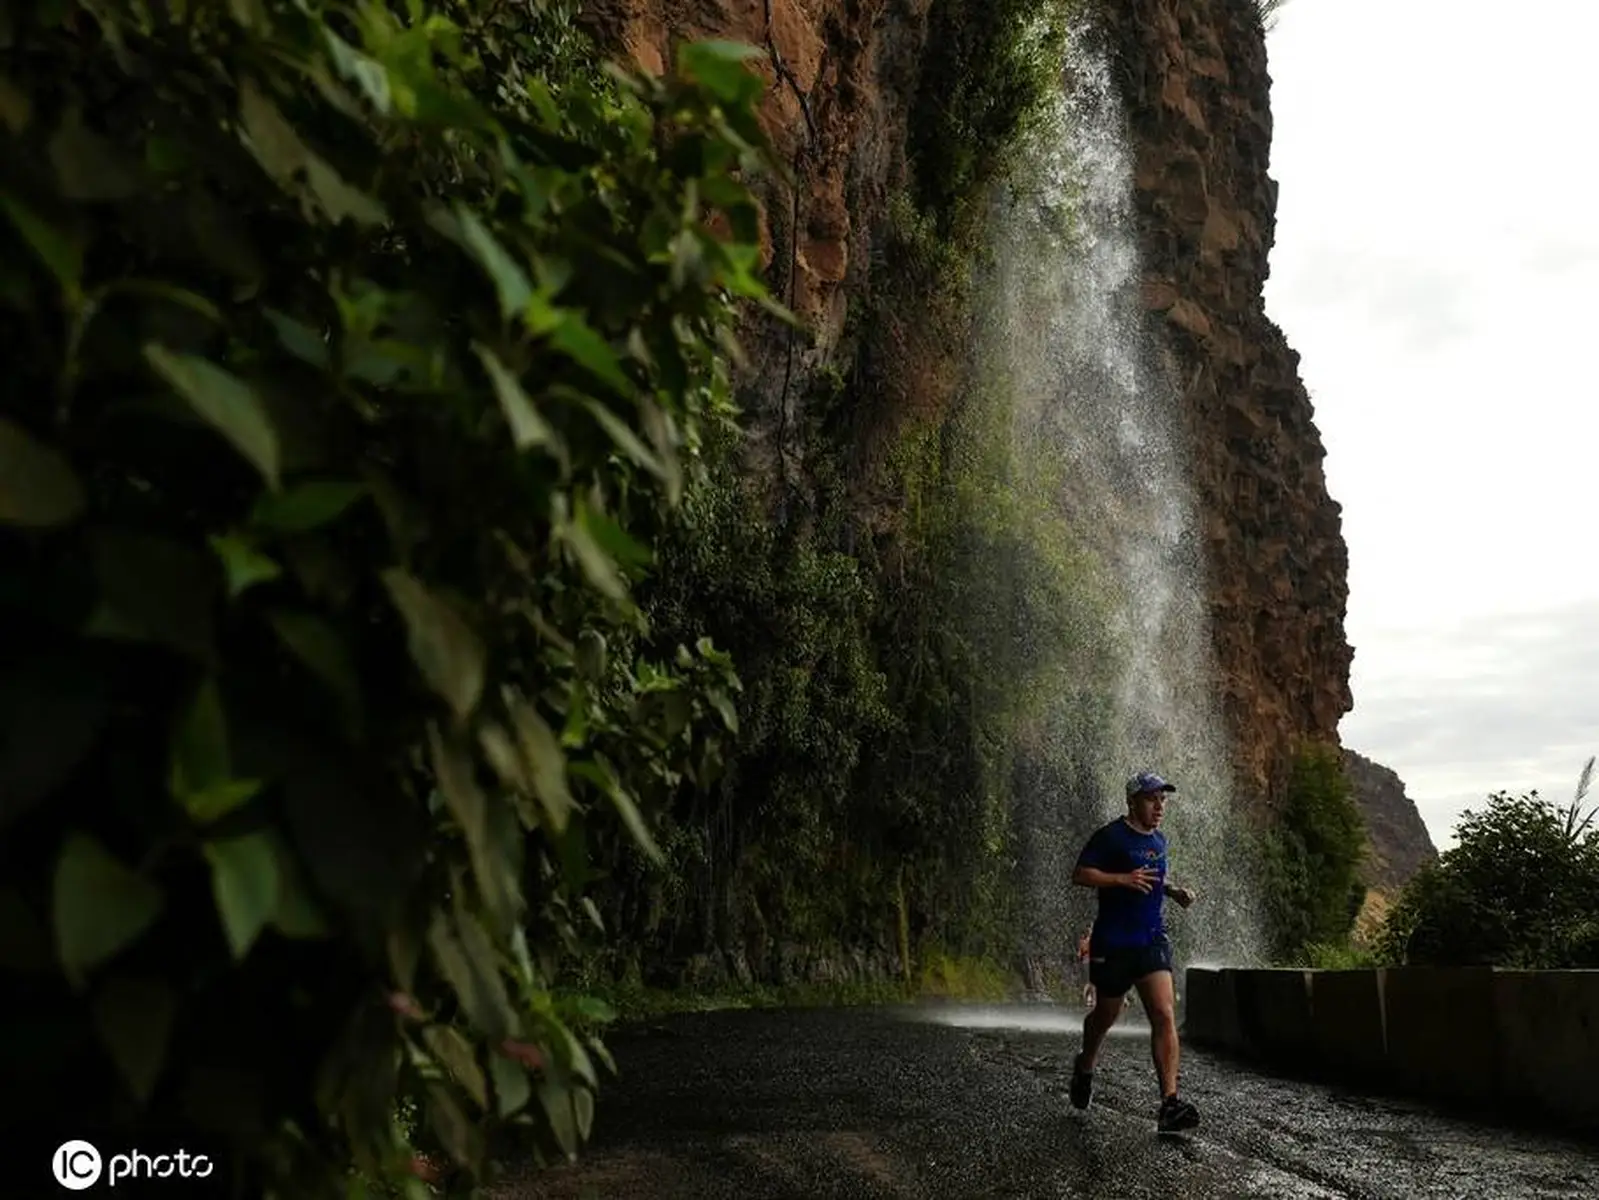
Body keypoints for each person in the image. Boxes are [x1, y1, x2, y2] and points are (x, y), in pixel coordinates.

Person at [1067, 771, 1201, 1134]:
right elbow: (1080, 874)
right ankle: (1086, 1064)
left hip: (1151, 939)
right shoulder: (1110, 836)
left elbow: (1153, 877)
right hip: (1113, 942)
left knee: (1163, 1012)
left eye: (1163, 799)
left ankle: (1169, 1105)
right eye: (1151, 799)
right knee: (1104, 1019)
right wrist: (1120, 879)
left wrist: (1172, 891)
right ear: (1132, 801)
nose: (1159, 806)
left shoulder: (1160, 840)